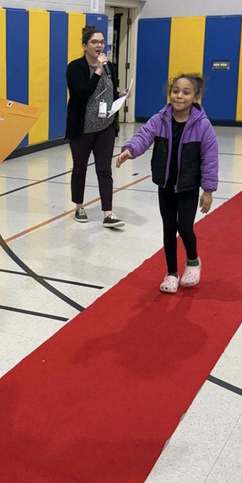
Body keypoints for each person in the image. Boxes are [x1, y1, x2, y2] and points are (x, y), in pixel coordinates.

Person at [116, 74, 218, 294]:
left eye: (186, 92)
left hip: (188, 186)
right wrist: (130, 150)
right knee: (169, 228)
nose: (179, 96)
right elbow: (143, 136)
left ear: (195, 97)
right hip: (165, 184)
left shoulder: (203, 126)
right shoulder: (160, 119)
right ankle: (171, 273)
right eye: (176, 91)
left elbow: (210, 159)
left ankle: (192, 261)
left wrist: (208, 191)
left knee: (185, 227)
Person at [66, 26, 125, 229]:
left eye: (101, 42)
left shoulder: (111, 66)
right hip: (82, 129)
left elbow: (110, 91)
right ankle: (79, 206)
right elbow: (82, 93)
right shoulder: (75, 68)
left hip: (105, 127)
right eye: (94, 42)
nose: (99, 45)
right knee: (80, 169)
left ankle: (108, 212)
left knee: (104, 170)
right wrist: (98, 71)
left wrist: (121, 95)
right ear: (85, 46)